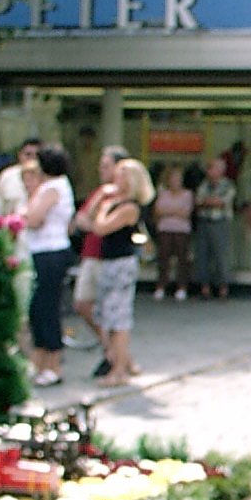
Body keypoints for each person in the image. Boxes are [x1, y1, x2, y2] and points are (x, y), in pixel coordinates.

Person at [90, 157, 153, 386]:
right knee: (107, 316)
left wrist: (103, 209)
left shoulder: (129, 207)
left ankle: (118, 370)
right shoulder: (115, 202)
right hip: (109, 262)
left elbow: (100, 227)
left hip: (122, 264)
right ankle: (123, 362)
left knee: (118, 318)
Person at [72, 144, 129, 375]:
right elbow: (82, 220)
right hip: (90, 254)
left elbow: (101, 226)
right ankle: (112, 349)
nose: (101, 170)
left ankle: (117, 357)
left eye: (106, 166)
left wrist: (95, 223)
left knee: (111, 313)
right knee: (82, 304)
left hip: (109, 257)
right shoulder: (101, 192)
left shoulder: (124, 197)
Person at [23, 144, 75, 388]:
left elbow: (33, 218)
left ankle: (53, 364)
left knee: (47, 308)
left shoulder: (52, 188)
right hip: (45, 251)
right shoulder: (58, 186)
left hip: (51, 251)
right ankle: (40, 361)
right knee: (38, 308)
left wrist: (26, 211)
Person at [193, 155, 235, 297]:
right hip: (204, 222)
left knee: (220, 254)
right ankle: (204, 286)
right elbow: (198, 201)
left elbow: (222, 202)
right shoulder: (203, 185)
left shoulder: (227, 185)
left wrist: (208, 202)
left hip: (220, 223)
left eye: (211, 168)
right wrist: (210, 202)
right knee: (203, 254)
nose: (208, 171)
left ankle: (223, 286)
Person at [153, 163, 194, 300]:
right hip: (165, 230)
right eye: (173, 179)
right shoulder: (163, 193)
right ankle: (161, 286)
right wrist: (175, 211)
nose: (175, 182)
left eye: (178, 179)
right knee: (163, 259)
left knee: (182, 259)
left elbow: (186, 213)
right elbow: (158, 211)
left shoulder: (187, 195)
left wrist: (168, 211)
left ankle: (182, 287)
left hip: (181, 231)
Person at [0, 137, 41, 214]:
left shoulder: (49, 178)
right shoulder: (6, 176)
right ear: (20, 155)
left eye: (37, 155)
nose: (32, 158)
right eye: (28, 154)